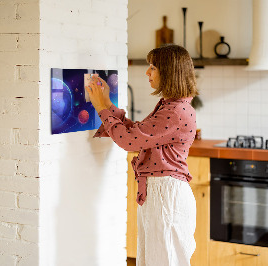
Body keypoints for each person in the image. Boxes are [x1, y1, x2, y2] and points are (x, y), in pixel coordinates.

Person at [86, 44, 198, 266]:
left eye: (153, 67)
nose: (147, 72)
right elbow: (137, 133)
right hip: (161, 193)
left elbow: (129, 141)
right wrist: (107, 103)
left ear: (169, 72)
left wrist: (101, 108)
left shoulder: (175, 111)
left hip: (166, 195)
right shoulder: (171, 106)